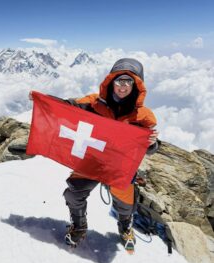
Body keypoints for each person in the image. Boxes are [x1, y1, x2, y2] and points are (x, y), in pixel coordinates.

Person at [29, 58, 159, 251]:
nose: (123, 86)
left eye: (128, 82)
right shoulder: (93, 103)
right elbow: (67, 107)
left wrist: (152, 143)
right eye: (119, 81)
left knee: (125, 201)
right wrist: (43, 99)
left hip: (119, 165)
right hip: (92, 161)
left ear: (137, 85)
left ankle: (125, 226)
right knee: (74, 194)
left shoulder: (144, 116)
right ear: (111, 82)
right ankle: (79, 226)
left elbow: (149, 148)